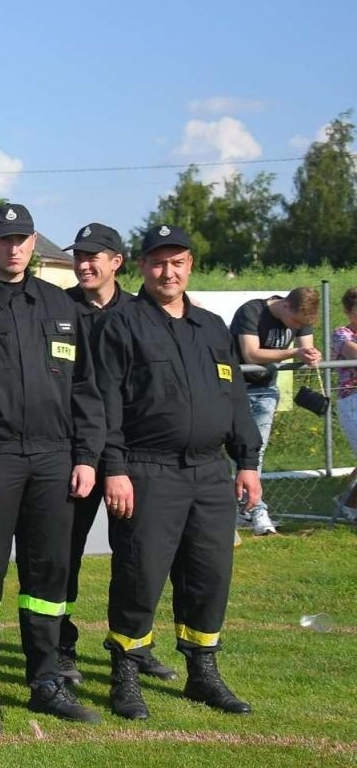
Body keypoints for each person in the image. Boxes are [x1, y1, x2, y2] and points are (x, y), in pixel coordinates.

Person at [0, 203, 105, 734]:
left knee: (48, 573)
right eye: (4, 239)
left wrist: (87, 456)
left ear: (33, 243)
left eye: (22, 239)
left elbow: (85, 389)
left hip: (55, 457)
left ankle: (45, 680)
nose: (14, 248)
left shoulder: (60, 306)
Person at [95, 225, 262, 719]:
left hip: (210, 472)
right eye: (158, 262)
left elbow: (234, 400)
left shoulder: (212, 327)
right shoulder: (120, 324)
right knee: (140, 575)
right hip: (148, 470)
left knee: (209, 576)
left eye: (178, 262)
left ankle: (202, 673)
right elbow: (103, 403)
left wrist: (247, 462)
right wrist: (115, 468)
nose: (168, 272)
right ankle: (126, 672)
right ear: (142, 266)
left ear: (190, 265)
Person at [57, 223, 159, 685]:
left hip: (127, 455)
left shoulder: (142, 313)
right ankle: (61, 645)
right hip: (73, 452)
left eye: (94, 255)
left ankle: (138, 643)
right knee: (64, 554)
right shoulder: (58, 309)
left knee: (139, 555)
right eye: (79, 255)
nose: (84, 263)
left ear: (117, 261)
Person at [230, 287, 321, 535]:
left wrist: (310, 355)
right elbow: (251, 354)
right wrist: (294, 352)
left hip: (266, 391)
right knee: (230, 455)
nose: (297, 327)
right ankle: (237, 510)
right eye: (296, 322)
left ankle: (253, 510)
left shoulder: (300, 317)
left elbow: (305, 350)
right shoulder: (251, 311)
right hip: (233, 391)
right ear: (285, 306)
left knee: (254, 453)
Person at [333, 287, 357, 522]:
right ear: (348, 311)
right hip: (352, 400)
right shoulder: (341, 334)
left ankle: (345, 500)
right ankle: (349, 505)